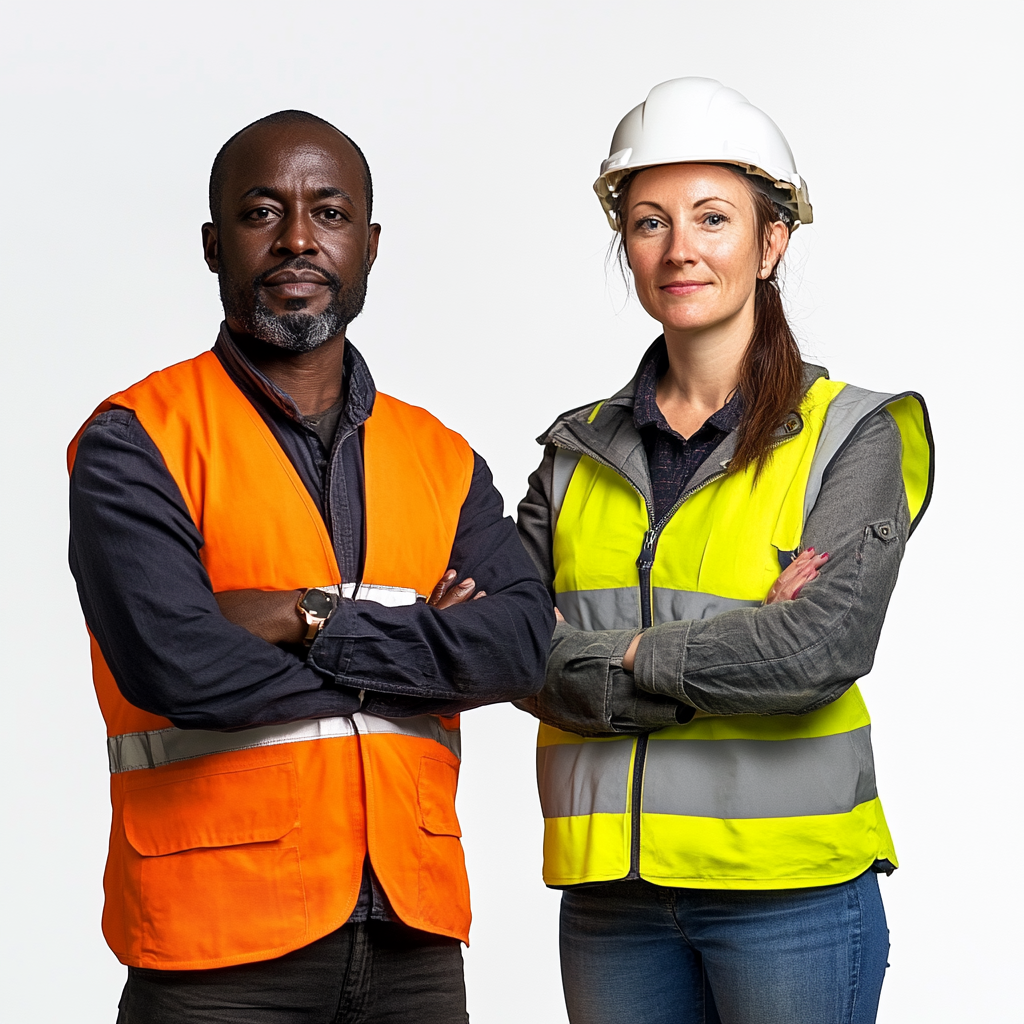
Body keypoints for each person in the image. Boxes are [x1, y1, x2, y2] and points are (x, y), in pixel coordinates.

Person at [67, 109, 554, 1024]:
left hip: (414, 939)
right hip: (215, 952)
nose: (298, 239)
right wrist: (421, 643)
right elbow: (180, 666)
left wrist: (305, 616)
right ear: (214, 246)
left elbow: (520, 649)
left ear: (368, 244)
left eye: (328, 213)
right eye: (263, 213)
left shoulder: (440, 456)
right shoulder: (136, 440)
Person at [516, 78, 934, 1024]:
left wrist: (612, 653)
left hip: (790, 899)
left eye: (713, 218)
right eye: (650, 221)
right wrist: (733, 646)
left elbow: (816, 651)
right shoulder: (574, 448)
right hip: (611, 901)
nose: (681, 249)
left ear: (771, 240)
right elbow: (508, 645)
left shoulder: (851, 435)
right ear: (625, 243)